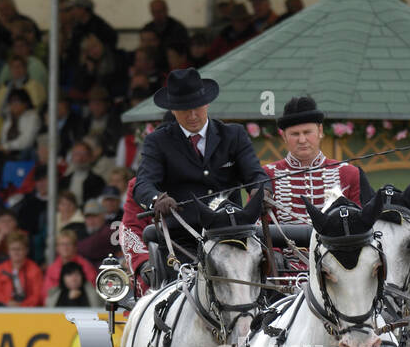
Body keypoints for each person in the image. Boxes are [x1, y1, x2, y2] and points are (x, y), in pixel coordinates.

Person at [133, 68, 268, 233]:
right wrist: (156, 199)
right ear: (173, 110)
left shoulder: (234, 135)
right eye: (184, 110)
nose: (192, 116)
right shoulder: (157, 141)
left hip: (233, 228)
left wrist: (261, 191)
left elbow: (256, 175)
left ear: (207, 103)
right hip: (183, 235)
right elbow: (143, 183)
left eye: (197, 107)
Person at [262, 95, 370, 226]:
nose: (302, 140)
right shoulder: (267, 175)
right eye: (295, 134)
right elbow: (260, 229)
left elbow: (362, 224)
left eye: (307, 132)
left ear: (320, 131)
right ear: (284, 136)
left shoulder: (349, 174)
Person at [0, 231, 43, 307]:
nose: (16, 252)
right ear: (8, 251)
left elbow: (38, 295)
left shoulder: (35, 269)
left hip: (29, 311)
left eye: (19, 249)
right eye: (13, 249)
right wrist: (7, 302)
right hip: (4, 310)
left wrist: (21, 305)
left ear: (26, 250)